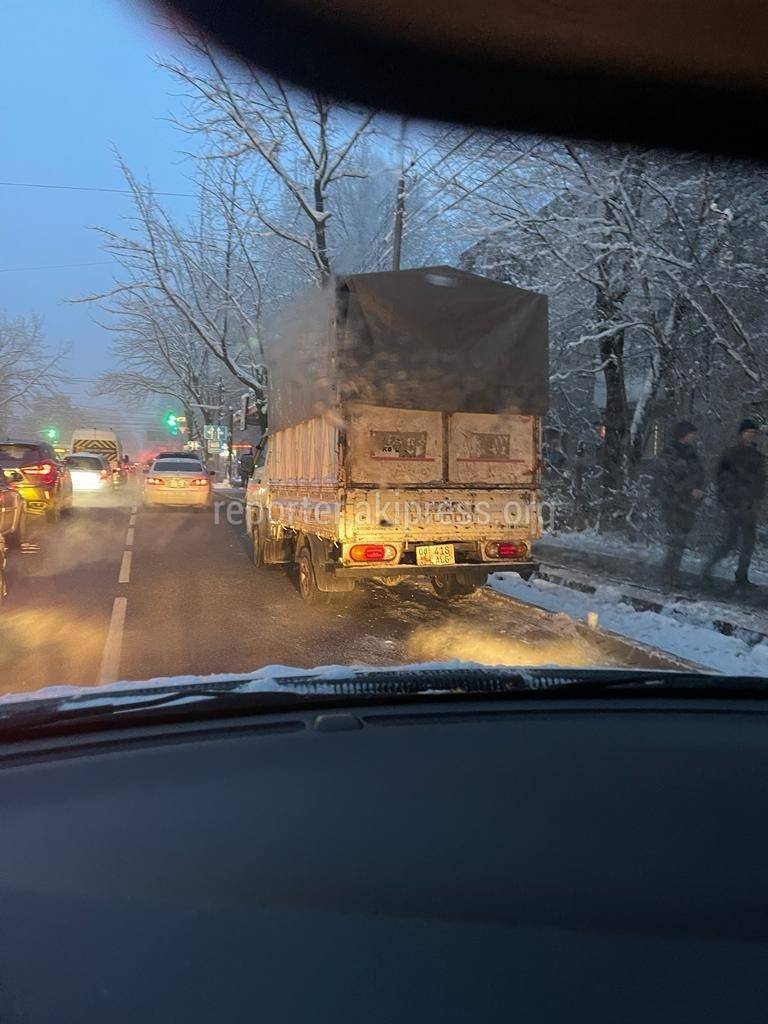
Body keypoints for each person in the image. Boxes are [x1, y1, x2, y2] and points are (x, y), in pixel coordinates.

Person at [703, 419, 765, 589]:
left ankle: (741, 576)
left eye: (753, 433)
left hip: (750, 506)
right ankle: (707, 568)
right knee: (730, 541)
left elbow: (760, 480)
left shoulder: (756, 455)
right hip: (735, 505)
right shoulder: (731, 454)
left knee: (749, 543)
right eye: (748, 432)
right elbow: (723, 480)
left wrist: (757, 497)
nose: (751, 436)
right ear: (741, 434)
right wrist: (731, 500)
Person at [656, 420, 705, 586]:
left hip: (688, 502)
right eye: (690, 433)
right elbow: (668, 479)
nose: (693, 436)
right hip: (673, 502)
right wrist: (688, 489)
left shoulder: (691, 452)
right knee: (676, 538)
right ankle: (668, 574)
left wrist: (698, 489)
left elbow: (698, 472)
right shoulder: (670, 452)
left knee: (680, 539)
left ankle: (672, 572)